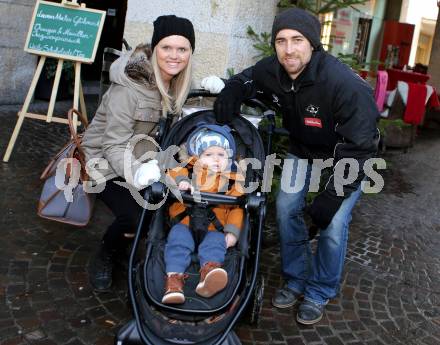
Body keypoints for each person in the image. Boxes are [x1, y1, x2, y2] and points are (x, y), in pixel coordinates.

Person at [212, 8, 379, 324]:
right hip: (303, 150)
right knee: (286, 207)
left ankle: (319, 290)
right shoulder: (274, 70)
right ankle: (296, 278)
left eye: (297, 40)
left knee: (332, 226)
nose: (288, 49)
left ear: (313, 44)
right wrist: (232, 90)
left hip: (349, 159)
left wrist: (331, 197)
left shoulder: (343, 85)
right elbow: (246, 78)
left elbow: (361, 148)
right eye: (281, 41)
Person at [82, 15, 196, 291]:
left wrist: (217, 93)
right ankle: (106, 255)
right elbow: (112, 145)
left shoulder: (179, 84)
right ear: (155, 48)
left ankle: (143, 248)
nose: (174, 56)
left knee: (176, 203)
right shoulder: (129, 86)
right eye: (167, 47)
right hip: (107, 162)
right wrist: (139, 174)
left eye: (182, 49)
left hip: (148, 160)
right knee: (136, 214)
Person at [162, 124, 244, 304]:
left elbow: (236, 209)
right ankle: (174, 281)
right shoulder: (189, 170)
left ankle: (209, 274)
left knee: (215, 245)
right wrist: (182, 182)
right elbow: (173, 171)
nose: (216, 159)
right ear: (197, 157)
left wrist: (232, 232)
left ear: (229, 157)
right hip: (184, 222)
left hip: (215, 227)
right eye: (209, 154)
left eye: (221, 154)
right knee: (177, 243)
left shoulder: (233, 180)